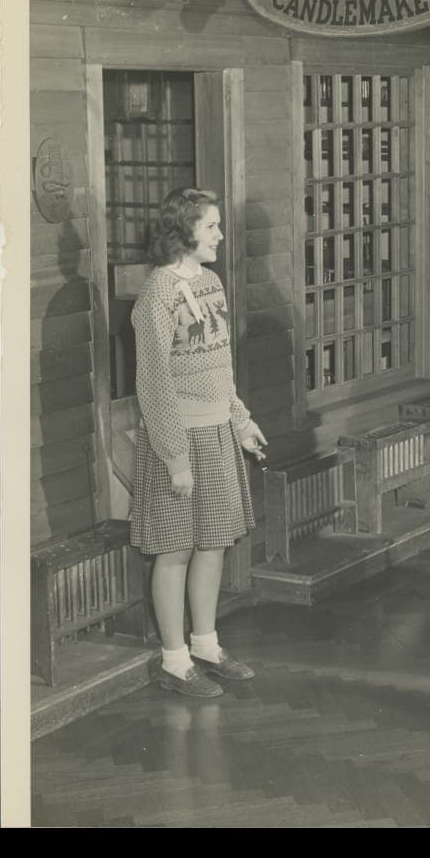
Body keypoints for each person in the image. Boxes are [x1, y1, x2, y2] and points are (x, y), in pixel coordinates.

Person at [131, 187, 268, 698]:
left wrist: (241, 422)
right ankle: (173, 660)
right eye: (211, 226)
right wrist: (174, 457)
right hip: (178, 439)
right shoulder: (155, 297)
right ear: (183, 231)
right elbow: (155, 383)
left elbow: (219, 367)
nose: (219, 235)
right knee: (175, 549)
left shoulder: (211, 283)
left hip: (215, 432)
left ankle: (206, 644)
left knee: (213, 541)